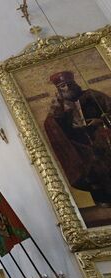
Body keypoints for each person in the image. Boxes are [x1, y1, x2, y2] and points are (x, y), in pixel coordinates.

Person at [43, 70, 111, 206]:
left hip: (101, 138)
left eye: (69, 84)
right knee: (91, 173)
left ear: (74, 83)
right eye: (62, 86)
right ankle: (103, 200)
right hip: (79, 144)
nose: (67, 88)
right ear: (58, 89)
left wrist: (100, 121)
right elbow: (51, 123)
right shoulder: (59, 104)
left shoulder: (93, 95)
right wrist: (59, 115)